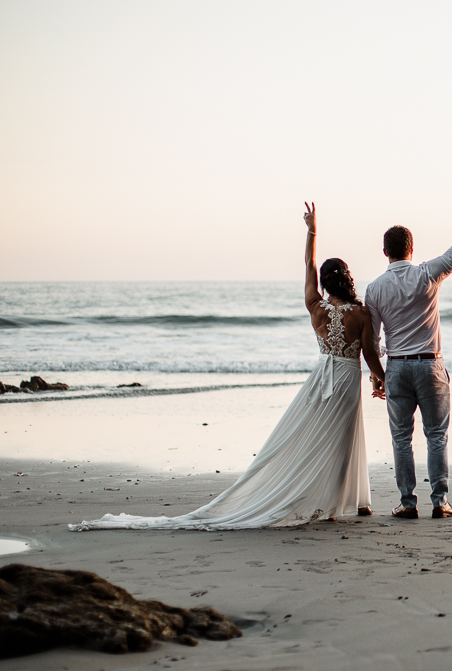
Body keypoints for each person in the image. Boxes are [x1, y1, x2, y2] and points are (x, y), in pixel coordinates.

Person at [69, 203, 375, 531]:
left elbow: (309, 263)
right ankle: (335, 502)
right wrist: (380, 379)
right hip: (345, 378)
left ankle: (329, 501)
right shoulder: (361, 314)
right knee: (340, 437)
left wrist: (312, 230)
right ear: (347, 280)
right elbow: (369, 352)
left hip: (320, 379)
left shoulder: (315, 307)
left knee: (312, 436)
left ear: (325, 283)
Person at [363, 187, 452, 519]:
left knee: (401, 438)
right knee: (436, 436)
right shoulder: (428, 273)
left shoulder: (374, 289)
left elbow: (371, 341)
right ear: (412, 249)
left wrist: (377, 375)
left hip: (397, 367)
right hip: (430, 366)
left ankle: (406, 503)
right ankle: (440, 502)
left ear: (385, 251)